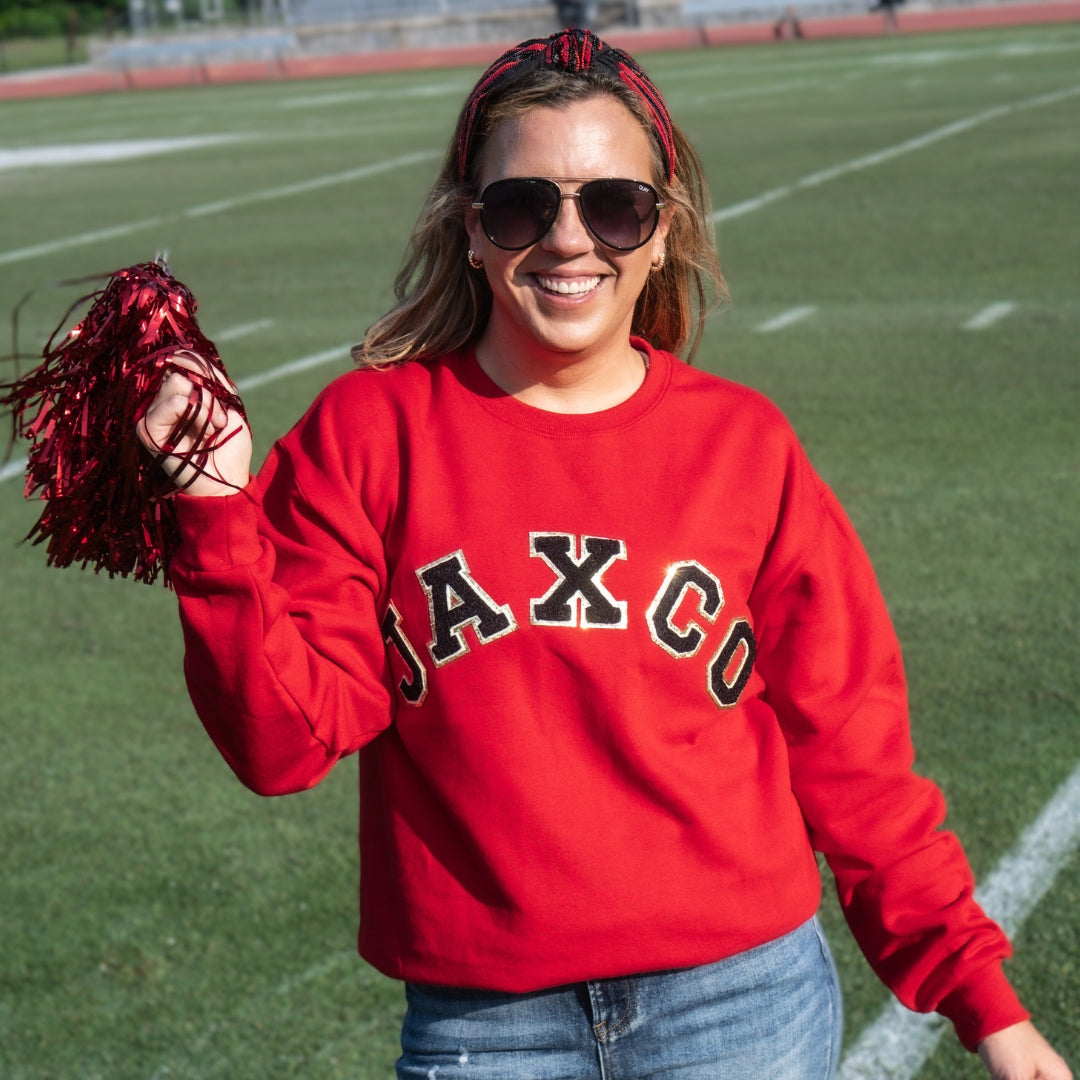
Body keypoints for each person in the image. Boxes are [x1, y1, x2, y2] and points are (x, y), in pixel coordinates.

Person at [137, 28, 1071, 1080]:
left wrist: (983, 1001)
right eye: (523, 204)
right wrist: (214, 515)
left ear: (663, 232)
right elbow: (284, 744)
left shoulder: (744, 446)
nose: (570, 240)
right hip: (485, 1025)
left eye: (614, 204)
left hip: (740, 1006)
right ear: (470, 229)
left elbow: (853, 758)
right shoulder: (367, 436)